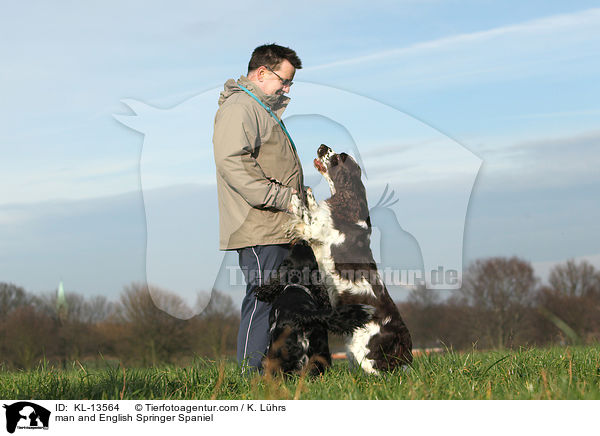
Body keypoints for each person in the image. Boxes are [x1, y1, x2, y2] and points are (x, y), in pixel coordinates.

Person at [212, 44, 304, 372]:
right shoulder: (240, 108)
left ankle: (277, 373)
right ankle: (249, 380)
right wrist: (283, 197)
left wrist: (298, 197)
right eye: (285, 80)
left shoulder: (260, 110)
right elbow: (232, 162)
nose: (287, 88)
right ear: (262, 73)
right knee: (262, 300)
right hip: (257, 227)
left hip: (275, 225)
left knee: (279, 301)